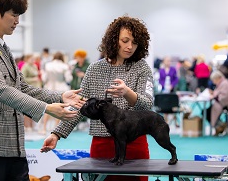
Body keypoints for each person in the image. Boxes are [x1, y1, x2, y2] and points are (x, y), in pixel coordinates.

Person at [0, 0, 84, 181]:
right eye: (14, 15)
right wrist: (47, 108)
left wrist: (61, 96)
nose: (17, 21)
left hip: (14, 145)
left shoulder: (3, 48)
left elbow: (23, 88)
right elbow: (1, 90)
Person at [42, 16, 154, 181]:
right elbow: (79, 105)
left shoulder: (142, 67)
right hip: (102, 146)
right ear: (113, 39)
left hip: (134, 144)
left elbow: (148, 105)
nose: (130, 47)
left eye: (135, 42)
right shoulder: (94, 69)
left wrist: (128, 93)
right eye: (125, 40)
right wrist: (56, 134)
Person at [41, 51, 73, 134]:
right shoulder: (65, 66)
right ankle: (56, 129)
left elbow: (44, 78)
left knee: (47, 108)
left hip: (49, 88)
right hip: (61, 88)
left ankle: (44, 128)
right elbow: (68, 78)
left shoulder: (48, 65)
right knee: (60, 108)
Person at [206, 71, 228, 136]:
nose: (213, 82)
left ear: (218, 78)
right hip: (221, 102)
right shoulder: (222, 83)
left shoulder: (225, 83)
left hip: (225, 104)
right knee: (208, 110)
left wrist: (214, 96)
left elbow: (224, 97)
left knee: (208, 111)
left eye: (214, 80)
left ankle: (219, 125)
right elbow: (219, 93)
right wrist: (213, 93)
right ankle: (219, 125)